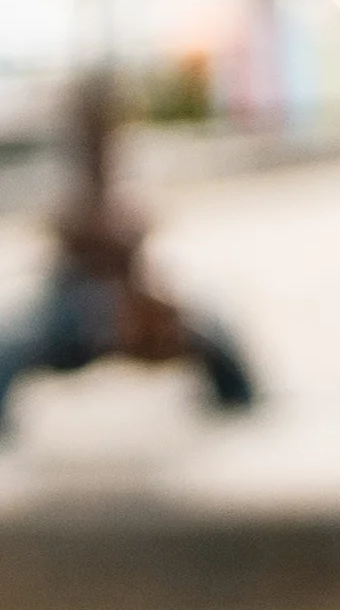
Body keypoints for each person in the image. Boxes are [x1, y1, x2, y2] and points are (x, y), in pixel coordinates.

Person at [4, 68, 259, 430]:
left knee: (211, 327)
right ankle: (236, 396)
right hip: (72, 299)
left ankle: (237, 398)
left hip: (128, 296)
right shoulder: (72, 207)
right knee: (14, 343)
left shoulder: (122, 205)